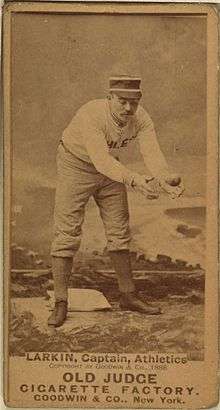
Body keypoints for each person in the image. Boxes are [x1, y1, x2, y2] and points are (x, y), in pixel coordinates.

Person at [48, 74, 184, 327]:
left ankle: (128, 295)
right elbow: (100, 160)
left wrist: (164, 178)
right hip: (75, 165)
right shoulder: (91, 114)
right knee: (66, 234)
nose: (128, 108)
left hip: (112, 170)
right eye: (122, 101)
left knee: (119, 231)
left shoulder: (140, 117)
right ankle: (60, 302)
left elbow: (152, 153)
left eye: (134, 102)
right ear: (109, 97)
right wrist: (136, 181)